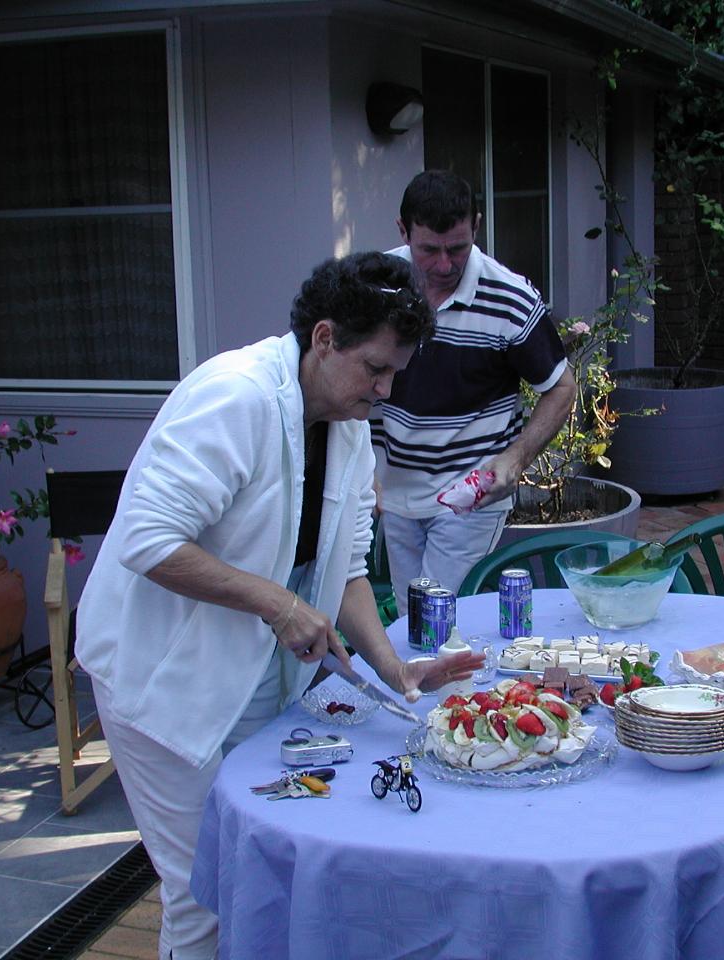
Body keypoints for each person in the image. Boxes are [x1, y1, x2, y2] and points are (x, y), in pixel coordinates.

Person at [75, 252, 481, 960]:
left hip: (255, 674)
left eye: (395, 375)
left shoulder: (349, 426)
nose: (386, 391)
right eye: (376, 370)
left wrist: (393, 669)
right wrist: (276, 602)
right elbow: (146, 538)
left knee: (262, 871)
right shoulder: (234, 396)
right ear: (324, 338)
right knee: (204, 889)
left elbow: (348, 567)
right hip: (161, 679)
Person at [372, 170, 576, 612]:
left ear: (477, 226)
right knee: (416, 619)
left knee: (431, 616)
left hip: (471, 494)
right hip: (395, 488)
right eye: (428, 250)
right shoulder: (379, 287)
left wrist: (515, 458)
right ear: (402, 231)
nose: (444, 265)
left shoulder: (511, 298)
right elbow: (352, 380)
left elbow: (561, 387)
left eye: (458, 248)